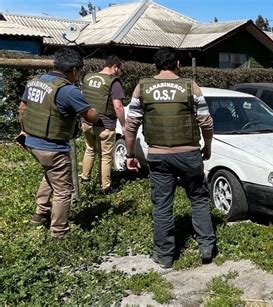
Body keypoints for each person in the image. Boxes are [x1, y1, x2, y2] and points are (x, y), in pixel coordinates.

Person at [124, 47, 215, 269]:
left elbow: (131, 125)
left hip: (158, 156)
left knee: (162, 205)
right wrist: (207, 147)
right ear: (178, 64)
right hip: (189, 154)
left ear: (155, 66)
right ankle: (206, 247)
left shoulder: (142, 87)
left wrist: (129, 154)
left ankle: (164, 256)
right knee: (199, 199)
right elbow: (206, 121)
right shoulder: (190, 86)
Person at [18, 48, 98, 239]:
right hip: (53, 146)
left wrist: (23, 130)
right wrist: (91, 106)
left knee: (51, 174)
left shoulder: (35, 82)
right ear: (73, 69)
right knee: (64, 190)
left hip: (32, 141)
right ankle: (59, 232)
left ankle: (40, 214)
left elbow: (22, 108)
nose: (79, 75)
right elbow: (91, 117)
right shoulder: (67, 90)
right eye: (79, 71)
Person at [80, 56, 126, 193]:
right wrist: (123, 125)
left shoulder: (88, 77)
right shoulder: (113, 82)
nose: (119, 72)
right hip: (105, 125)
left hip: (87, 122)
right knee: (106, 156)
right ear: (115, 67)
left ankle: (85, 178)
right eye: (119, 69)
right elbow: (118, 107)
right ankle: (105, 187)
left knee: (90, 149)